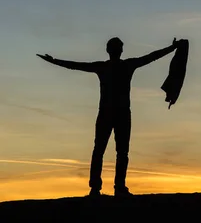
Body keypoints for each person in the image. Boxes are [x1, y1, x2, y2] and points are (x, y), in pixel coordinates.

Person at [37, 37, 182, 197]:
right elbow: (152, 56)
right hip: (118, 113)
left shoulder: (106, 67)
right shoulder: (125, 65)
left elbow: (75, 66)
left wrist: (54, 61)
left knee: (104, 150)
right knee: (114, 151)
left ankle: (103, 187)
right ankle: (113, 187)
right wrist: (172, 47)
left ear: (109, 50)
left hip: (110, 113)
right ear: (120, 50)